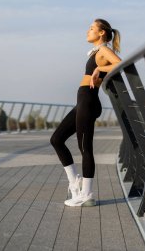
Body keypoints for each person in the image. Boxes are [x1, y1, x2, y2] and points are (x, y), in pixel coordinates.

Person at [50, 19, 121, 207]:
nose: (87, 31)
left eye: (91, 28)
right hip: (83, 101)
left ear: (101, 33)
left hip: (88, 101)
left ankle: (87, 193)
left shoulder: (104, 50)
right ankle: (75, 183)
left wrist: (100, 68)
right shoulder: (97, 52)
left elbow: (120, 64)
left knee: (85, 147)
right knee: (56, 139)